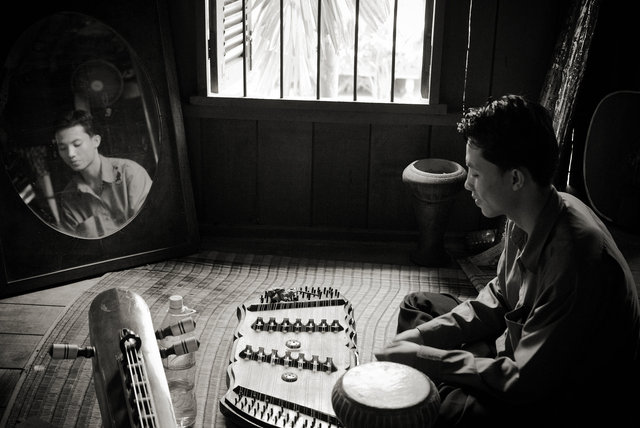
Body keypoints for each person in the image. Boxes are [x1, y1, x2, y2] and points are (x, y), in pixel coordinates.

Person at [375, 94, 640, 427]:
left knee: (451, 411)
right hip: (523, 347)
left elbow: (524, 381)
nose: (467, 183)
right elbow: (500, 296)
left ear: (515, 179)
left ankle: (449, 384)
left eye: (475, 173)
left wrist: (429, 360)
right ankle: (454, 372)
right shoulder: (527, 210)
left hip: (569, 395)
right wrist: (424, 340)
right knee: (419, 308)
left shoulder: (576, 259)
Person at [53, 109, 152, 238]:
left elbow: (152, 227)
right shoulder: (69, 199)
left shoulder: (131, 174)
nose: (70, 154)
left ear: (96, 141)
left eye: (77, 144)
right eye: (63, 148)